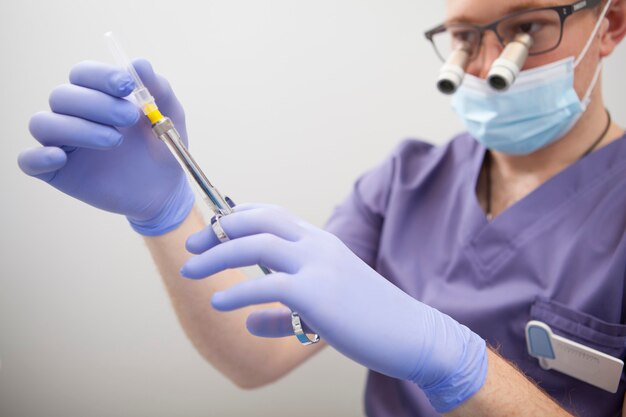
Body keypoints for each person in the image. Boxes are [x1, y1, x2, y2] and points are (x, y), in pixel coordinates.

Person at [17, 0, 626, 415]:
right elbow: (260, 351)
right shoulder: (404, 181)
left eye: (529, 29)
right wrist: (166, 212)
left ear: (610, 23)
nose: (491, 65)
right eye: (466, 36)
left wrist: (460, 363)